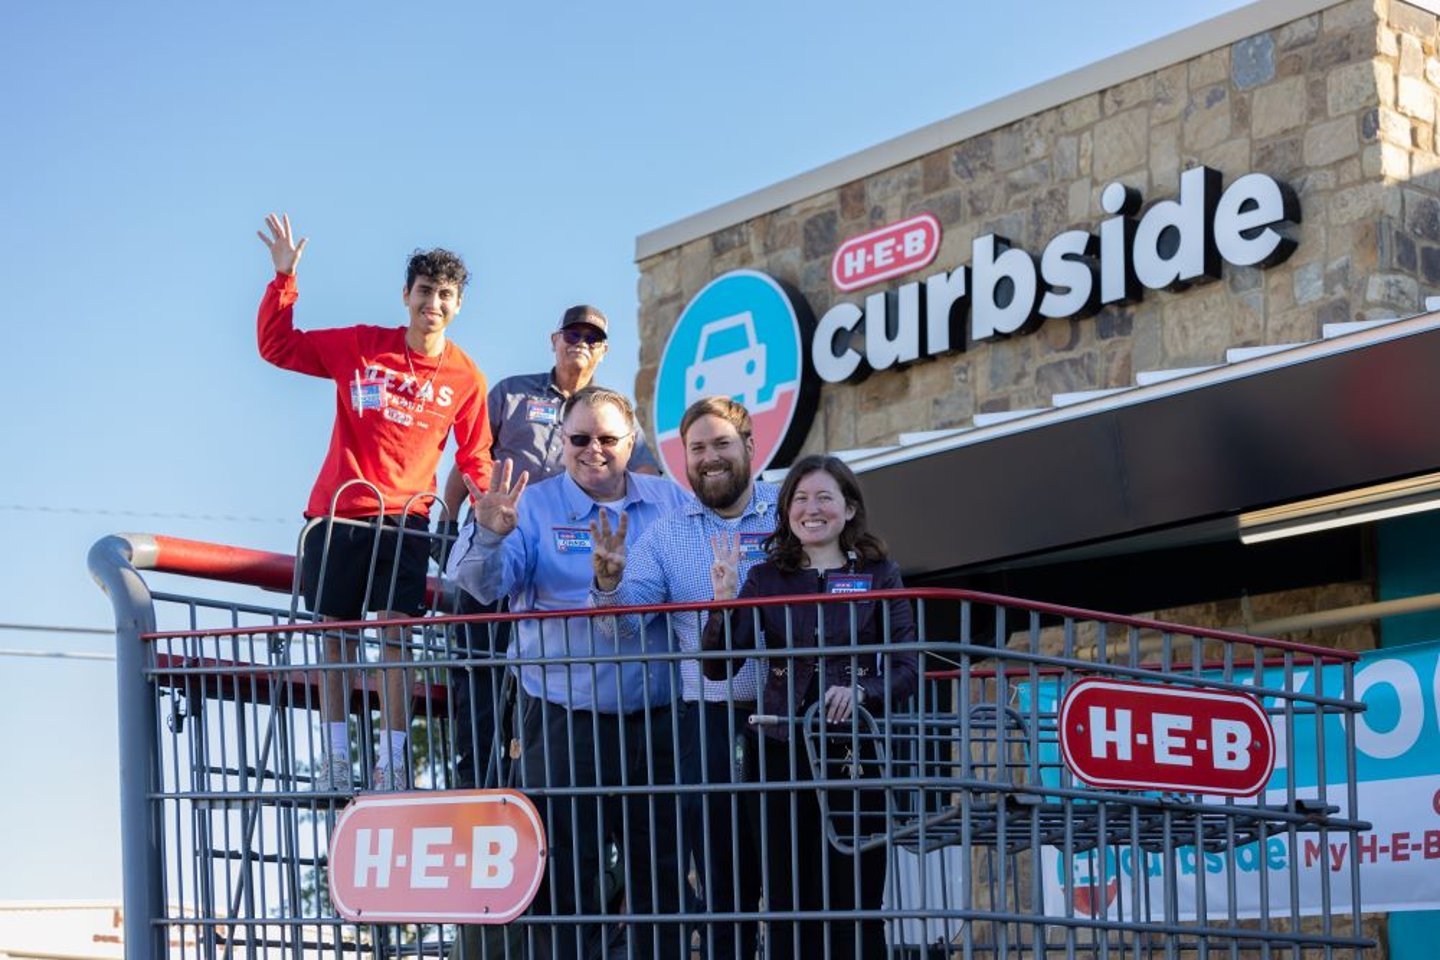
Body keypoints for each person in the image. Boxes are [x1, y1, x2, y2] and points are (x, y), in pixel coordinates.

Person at [446, 385, 690, 960]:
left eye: (608, 439)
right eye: (580, 438)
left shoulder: (670, 500)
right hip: (560, 719)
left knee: (663, 876)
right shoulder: (529, 502)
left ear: (632, 443)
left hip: (657, 721)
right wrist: (490, 533)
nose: (593, 450)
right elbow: (480, 585)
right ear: (563, 441)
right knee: (562, 881)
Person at [256, 213, 493, 793]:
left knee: (394, 638)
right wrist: (284, 279)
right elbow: (278, 347)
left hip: (407, 519)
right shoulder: (363, 346)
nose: (432, 303)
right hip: (339, 513)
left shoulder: (465, 376)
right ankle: (337, 759)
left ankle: (392, 764)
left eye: (445, 295)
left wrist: (491, 504)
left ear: (457, 306)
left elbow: (475, 455)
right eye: (424, 292)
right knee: (335, 636)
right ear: (405, 297)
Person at [701, 454, 919, 960]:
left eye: (824, 497)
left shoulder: (879, 574)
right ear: (786, 511)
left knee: (856, 893)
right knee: (786, 896)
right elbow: (718, 669)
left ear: (847, 509)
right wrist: (724, 600)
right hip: (779, 752)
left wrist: (863, 690)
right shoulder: (765, 578)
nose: (811, 509)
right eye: (800, 498)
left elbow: (908, 666)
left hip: (854, 754)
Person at [437, 304, 658, 790]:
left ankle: (520, 784)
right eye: (572, 335)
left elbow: (644, 474)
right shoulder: (512, 393)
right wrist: (449, 524)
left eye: (591, 338)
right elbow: (470, 457)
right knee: (479, 680)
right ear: (553, 340)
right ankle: (478, 788)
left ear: (604, 351)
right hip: (503, 549)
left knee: (536, 687)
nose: (580, 343)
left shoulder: (614, 411)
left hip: (570, 566)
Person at [588, 396, 776, 959]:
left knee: (795, 871)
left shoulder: (786, 509)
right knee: (722, 881)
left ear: (749, 446)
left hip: (792, 717)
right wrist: (606, 585)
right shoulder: (666, 535)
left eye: (721, 444)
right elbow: (620, 628)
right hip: (709, 724)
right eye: (697, 448)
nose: (710, 458)